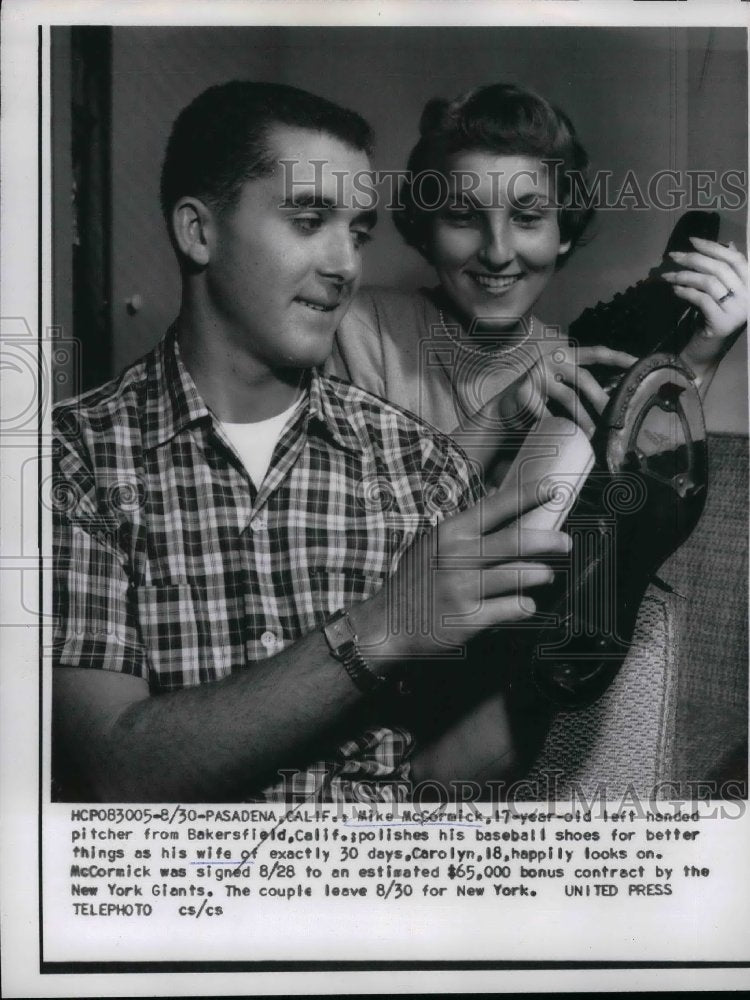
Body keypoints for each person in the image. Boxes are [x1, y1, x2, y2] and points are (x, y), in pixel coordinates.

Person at [52, 81, 571, 804]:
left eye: (357, 232)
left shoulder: (424, 465)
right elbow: (116, 771)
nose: (346, 265)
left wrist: (577, 617)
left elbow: (444, 773)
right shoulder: (72, 459)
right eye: (308, 220)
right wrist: (384, 625)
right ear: (198, 232)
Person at [329, 83, 747, 472]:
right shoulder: (356, 331)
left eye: (527, 218)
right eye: (462, 216)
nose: (497, 253)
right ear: (426, 230)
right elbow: (367, 521)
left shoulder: (576, 365)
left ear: (563, 230)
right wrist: (500, 416)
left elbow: (627, 511)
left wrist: (698, 358)